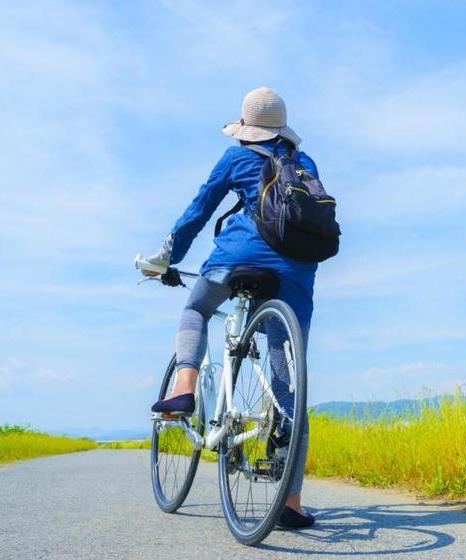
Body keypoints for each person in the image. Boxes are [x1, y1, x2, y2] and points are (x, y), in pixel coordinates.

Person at [141, 87, 317, 529]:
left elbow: (197, 212)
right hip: (295, 274)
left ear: (245, 129)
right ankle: (290, 503)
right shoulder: (305, 163)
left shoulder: (236, 159)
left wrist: (167, 258)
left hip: (233, 259)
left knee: (196, 310)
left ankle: (184, 386)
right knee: (287, 379)